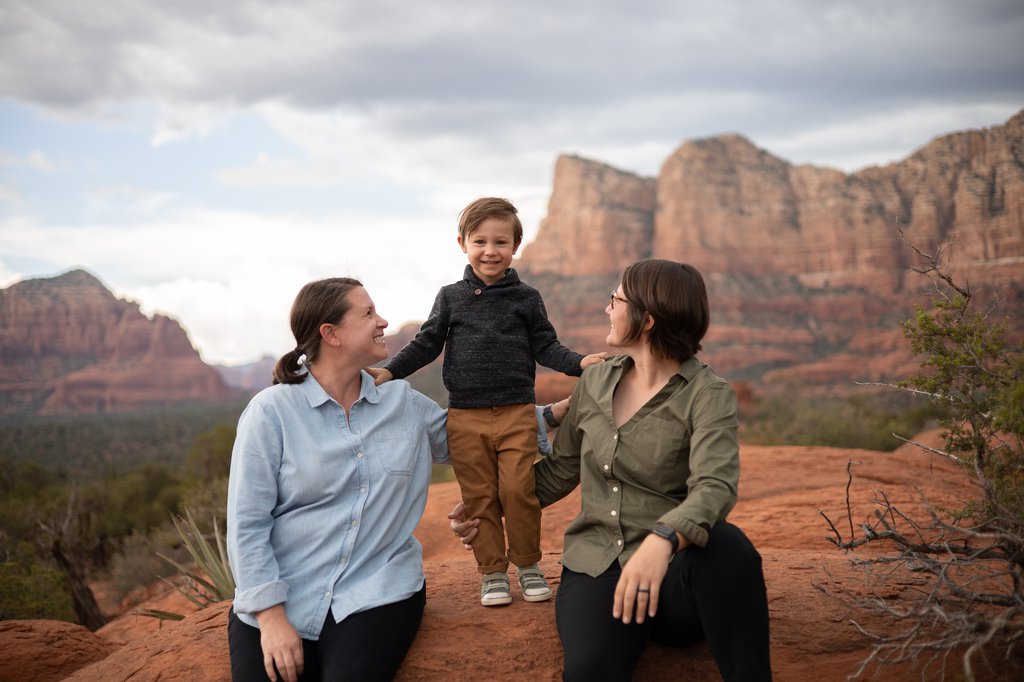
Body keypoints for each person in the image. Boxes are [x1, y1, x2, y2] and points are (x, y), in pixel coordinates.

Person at [453, 259, 772, 681]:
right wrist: (487, 506)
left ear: (647, 319)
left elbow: (715, 486)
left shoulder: (708, 394)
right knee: (590, 669)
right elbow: (560, 470)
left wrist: (662, 541)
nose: (607, 308)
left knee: (728, 547)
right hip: (598, 568)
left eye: (615, 300)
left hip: (673, 575)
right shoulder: (595, 382)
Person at [370, 197, 606, 607]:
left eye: (501, 242)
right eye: (480, 241)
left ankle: (528, 565)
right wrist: (390, 371)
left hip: (516, 413)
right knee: (479, 496)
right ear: (462, 243)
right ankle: (493, 572)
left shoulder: (527, 298)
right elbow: (426, 343)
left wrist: (579, 363)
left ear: (515, 245)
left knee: (518, 490)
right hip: (465, 417)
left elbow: (546, 346)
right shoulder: (450, 297)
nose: (490, 251)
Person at [226, 277, 448, 682]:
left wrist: (557, 415)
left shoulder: (403, 402)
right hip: (285, 594)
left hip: (378, 591)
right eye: (368, 313)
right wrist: (271, 618)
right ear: (331, 334)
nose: (382, 322)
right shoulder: (271, 412)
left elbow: (476, 440)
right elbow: (247, 523)